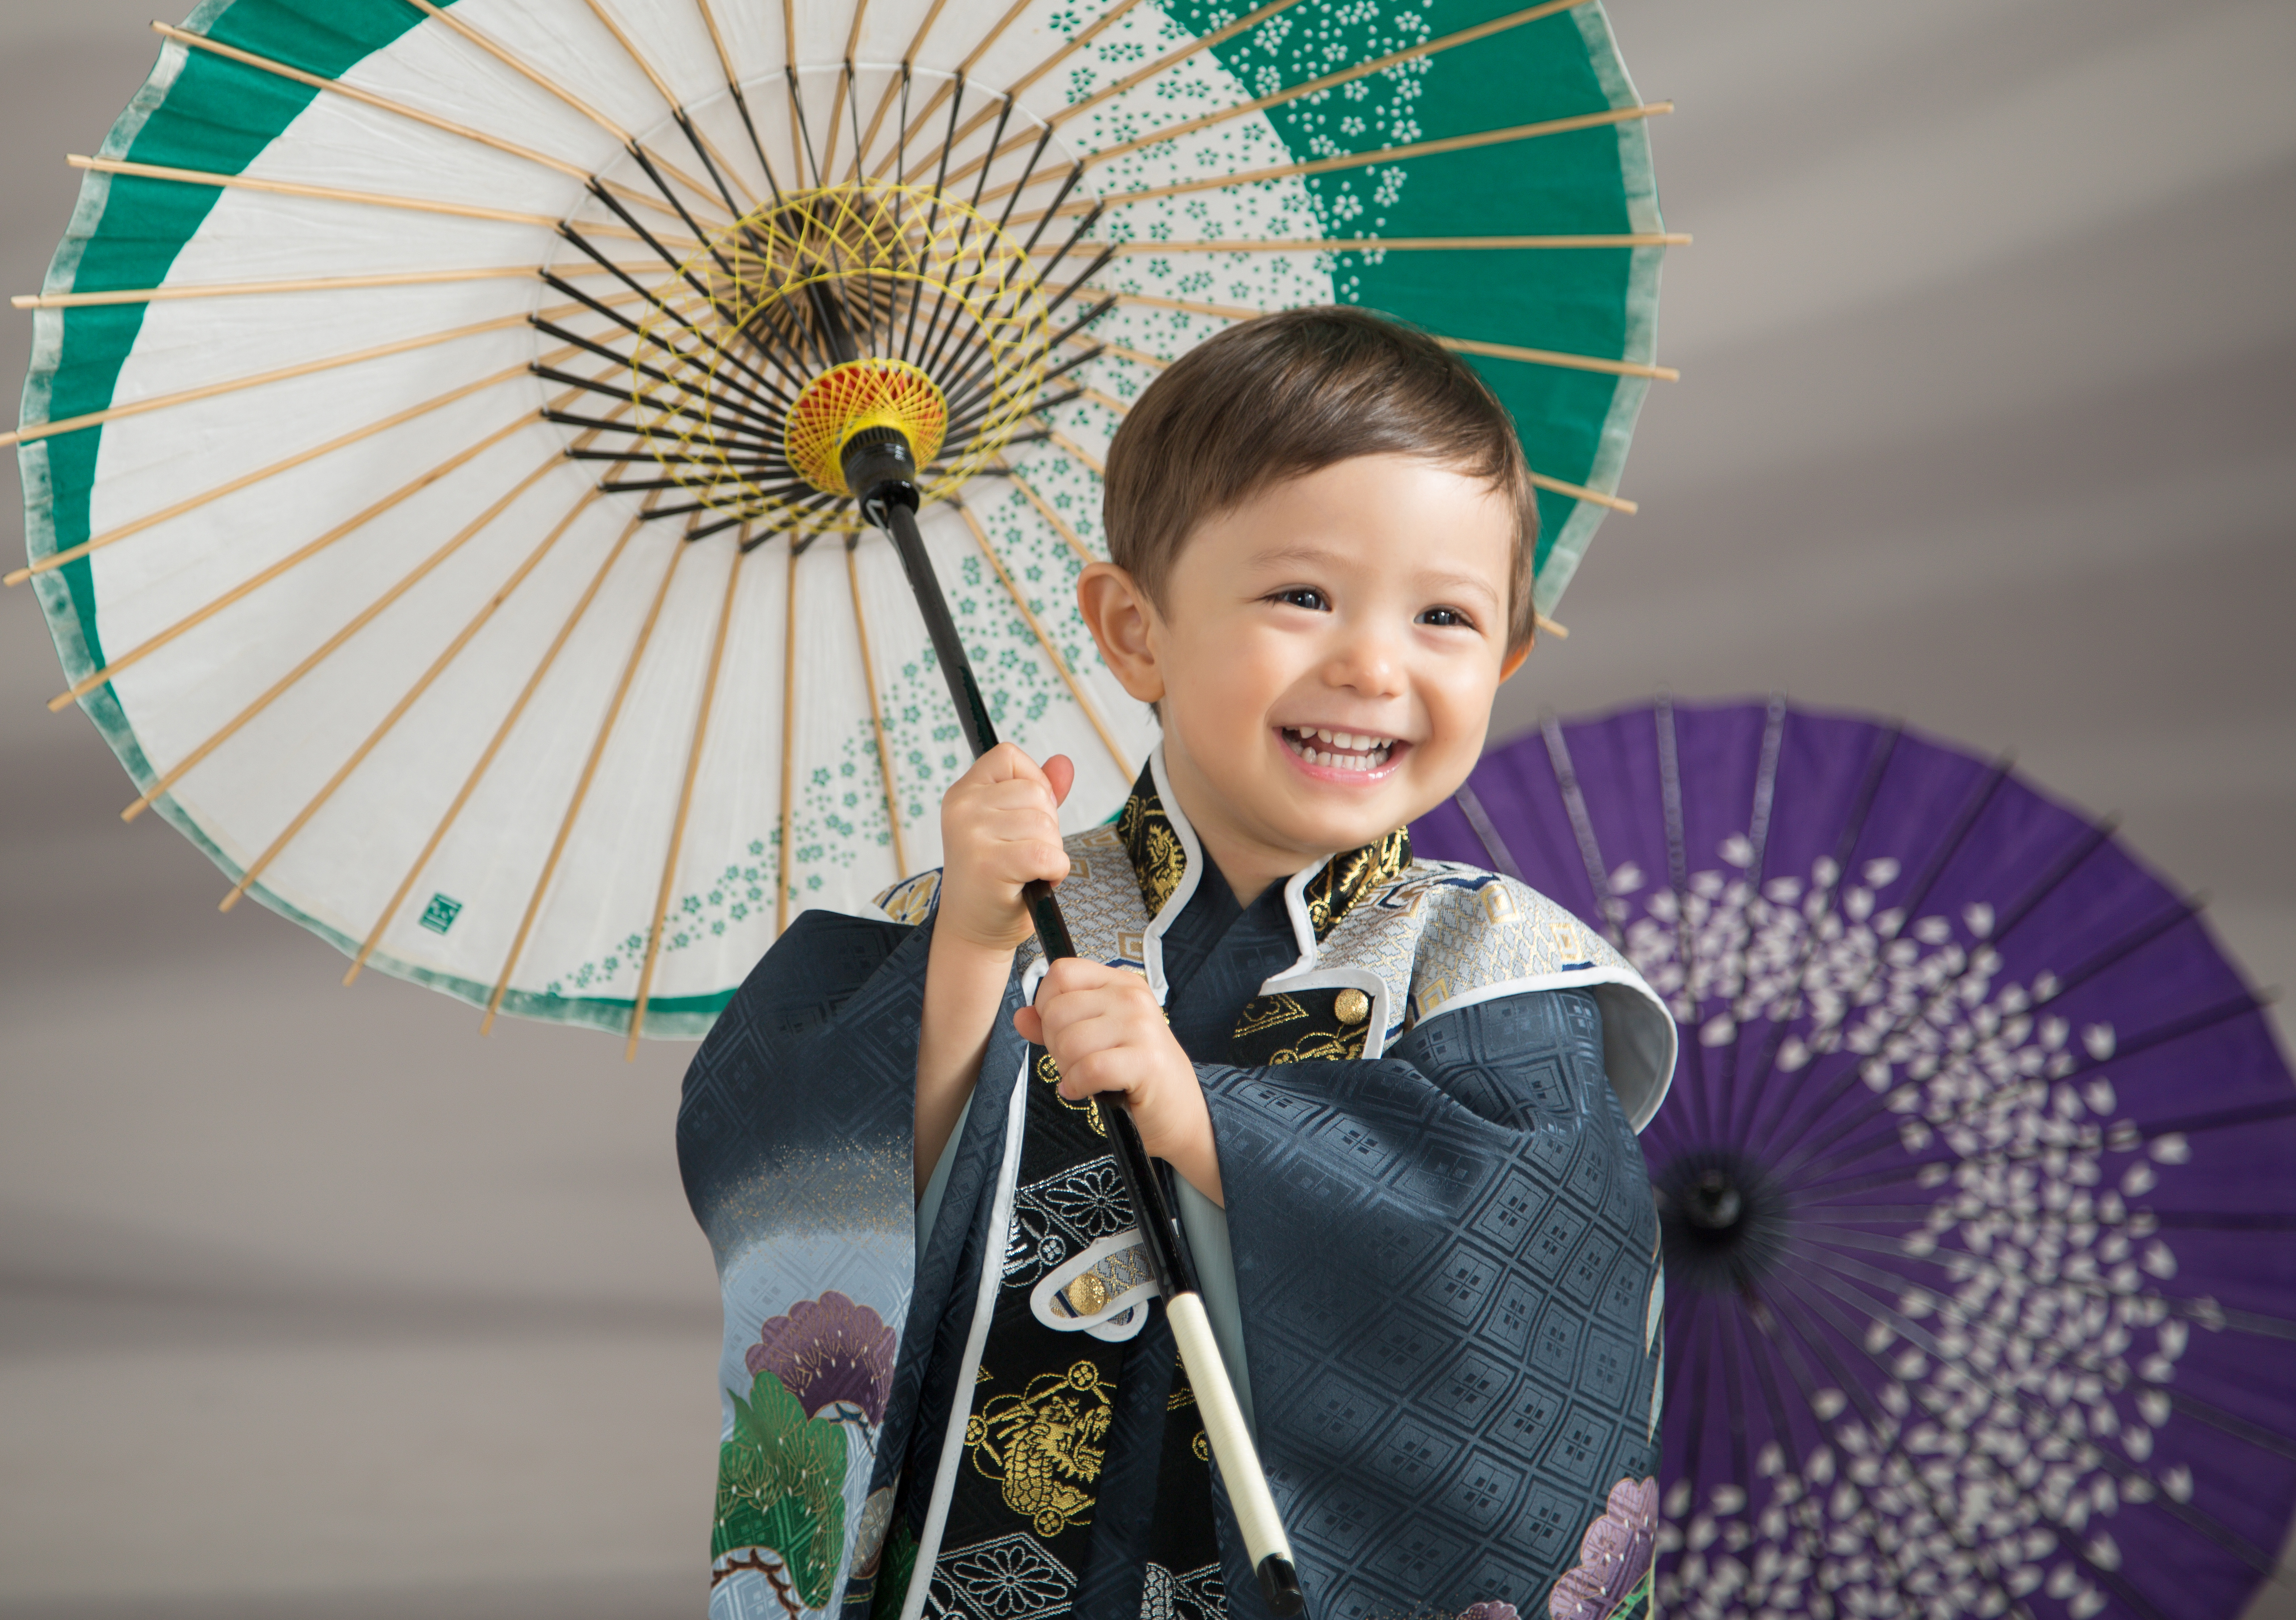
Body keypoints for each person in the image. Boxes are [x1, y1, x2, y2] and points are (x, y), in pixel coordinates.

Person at [677, 308, 1676, 1620]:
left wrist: (1210, 1126)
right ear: (1133, 629)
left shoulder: (1484, 965)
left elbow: (1525, 1278)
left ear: (1506, 654)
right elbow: (810, 1191)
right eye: (1301, 596)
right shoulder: (1004, 905)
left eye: (1443, 615)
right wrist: (974, 956)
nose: (1372, 663)